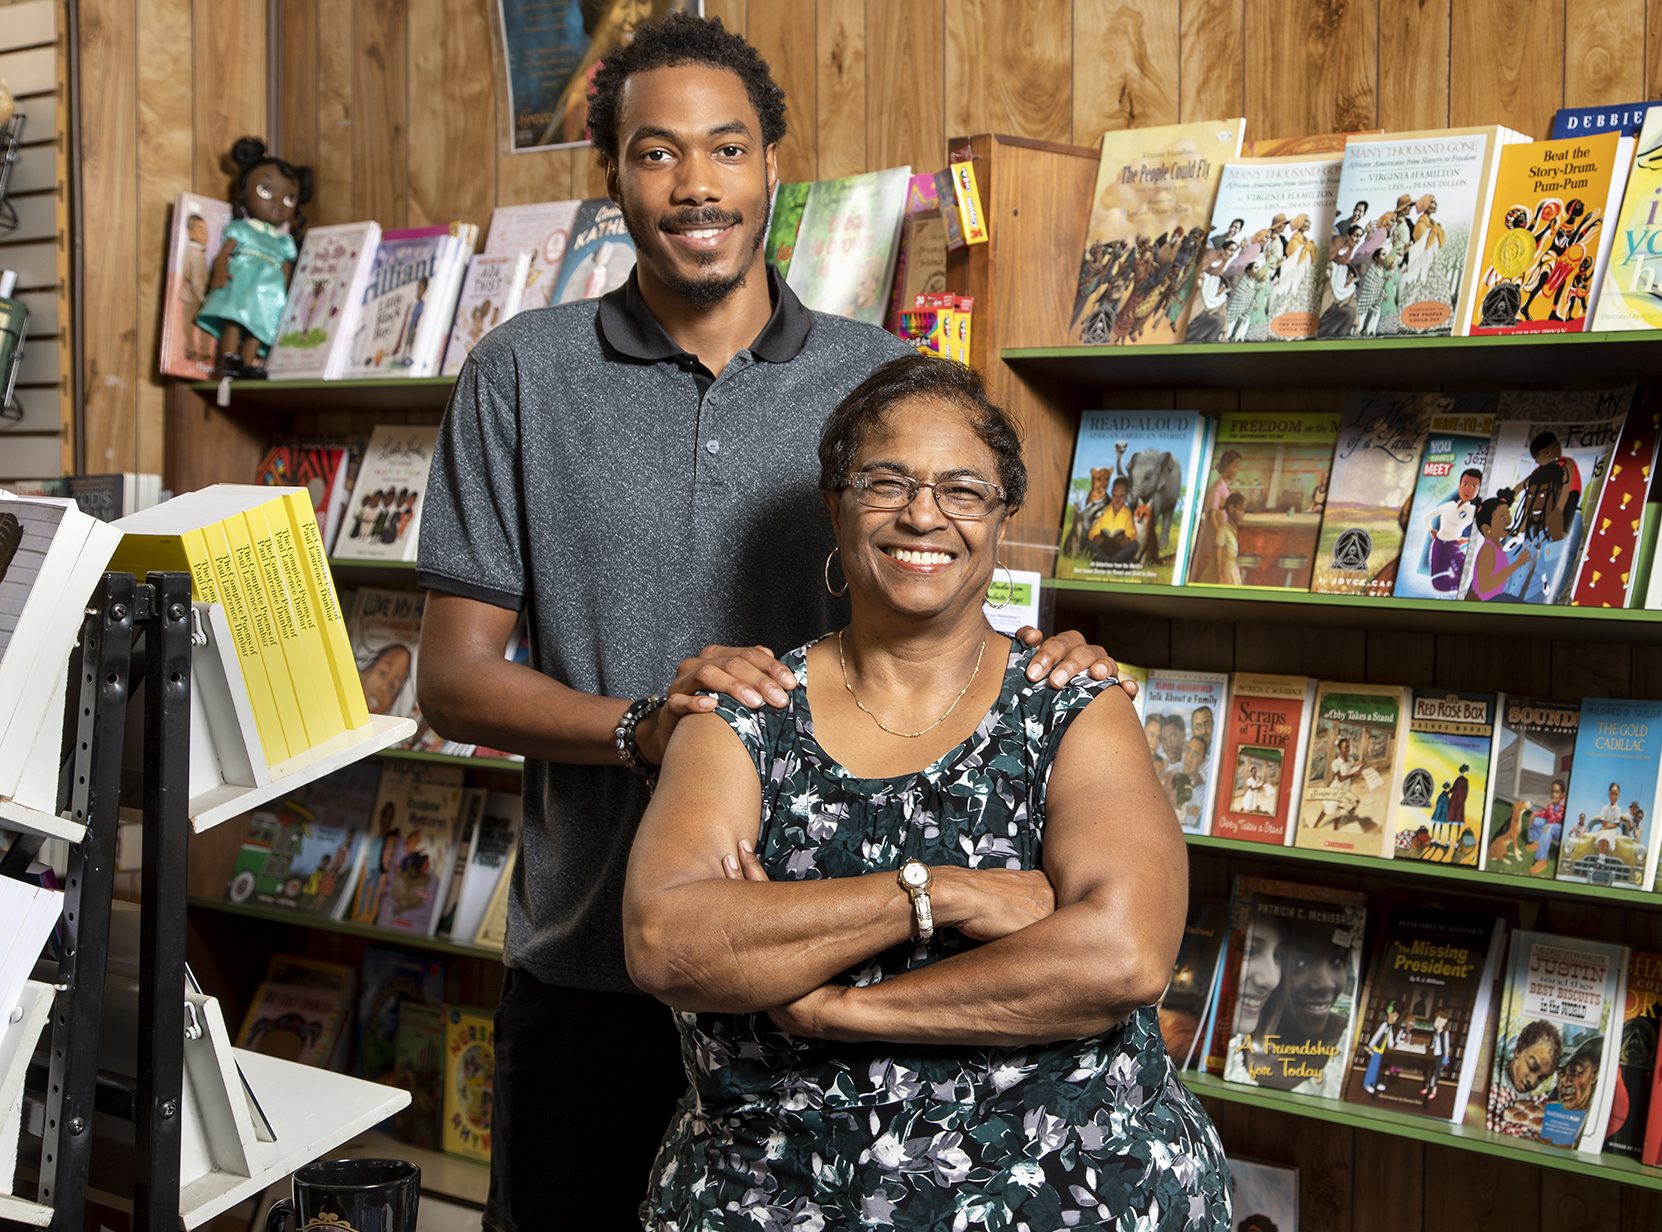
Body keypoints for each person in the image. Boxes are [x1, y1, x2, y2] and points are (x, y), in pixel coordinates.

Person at [412, 16, 1129, 1228]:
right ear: (614, 177)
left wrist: (1050, 660)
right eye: (655, 153)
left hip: (831, 962)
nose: (696, 185)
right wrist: (648, 724)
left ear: (772, 169)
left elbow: (944, 587)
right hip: (593, 960)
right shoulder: (520, 375)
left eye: (726, 149)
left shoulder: (879, 371)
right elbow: (452, 681)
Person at [623, 355, 1229, 1228]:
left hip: (1073, 1187)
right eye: (886, 482)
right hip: (771, 1194)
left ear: (1001, 519)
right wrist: (937, 892)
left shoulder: (1070, 703)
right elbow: (666, 938)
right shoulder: (748, 708)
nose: (923, 514)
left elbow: (1122, 956)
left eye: (962, 490)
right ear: (835, 505)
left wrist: (841, 1011)